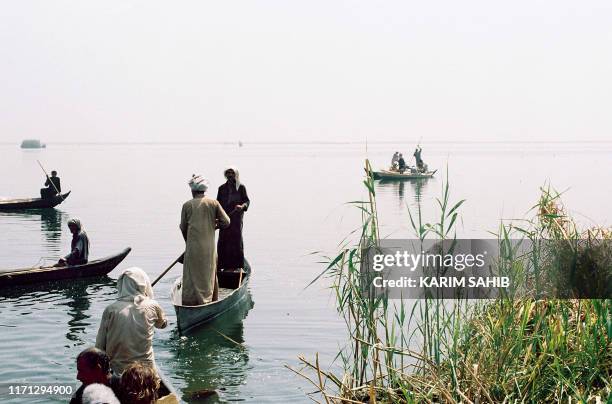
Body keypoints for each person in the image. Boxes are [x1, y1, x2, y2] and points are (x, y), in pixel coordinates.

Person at [95, 267, 167, 375]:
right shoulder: (152, 305)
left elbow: (100, 345)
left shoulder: (111, 309)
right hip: (146, 372)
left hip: (118, 371)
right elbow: (162, 325)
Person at [181, 174, 230, 305]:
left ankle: (190, 302)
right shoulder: (213, 203)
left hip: (193, 246)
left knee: (192, 274)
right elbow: (226, 222)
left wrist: (188, 242)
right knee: (208, 272)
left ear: (192, 190)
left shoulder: (187, 205)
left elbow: (183, 227)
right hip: (209, 247)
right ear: (204, 190)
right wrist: (215, 225)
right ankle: (209, 300)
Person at [217, 167, 250, 272]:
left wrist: (242, 206)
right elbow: (217, 204)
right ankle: (222, 265)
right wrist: (217, 218)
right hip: (224, 218)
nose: (230, 175)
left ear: (236, 174)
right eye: (228, 173)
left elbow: (247, 201)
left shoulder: (241, 187)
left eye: (232, 173)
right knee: (223, 240)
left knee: (236, 240)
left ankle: (237, 266)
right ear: (225, 175)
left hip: (236, 218)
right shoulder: (221, 188)